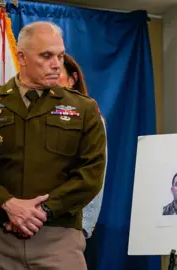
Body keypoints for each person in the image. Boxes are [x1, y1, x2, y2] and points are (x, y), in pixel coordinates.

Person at [0, 21, 106, 270]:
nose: (56, 64)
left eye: (60, 56)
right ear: (22, 57)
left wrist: (42, 211)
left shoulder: (84, 109)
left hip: (58, 237)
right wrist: (8, 204)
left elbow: (91, 175)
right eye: (46, 56)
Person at [58, 53, 107, 239]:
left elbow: (94, 176)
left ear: (72, 79)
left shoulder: (89, 118)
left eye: (58, 72)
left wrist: (84, 227)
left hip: (70, 226)